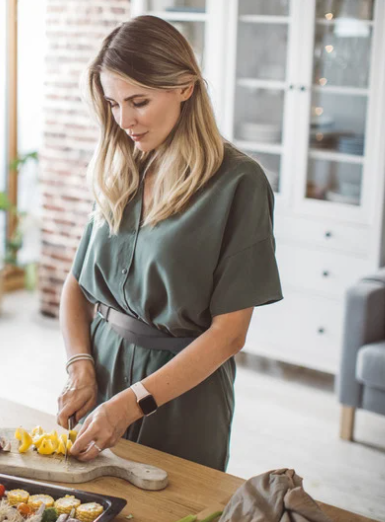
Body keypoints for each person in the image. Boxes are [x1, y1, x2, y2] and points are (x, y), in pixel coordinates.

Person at [57, 15, 283, 471]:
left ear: (185, 86)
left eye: (138, 101)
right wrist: (80, 365)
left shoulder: (239, 182)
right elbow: (77, 286)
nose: (125, 121)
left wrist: (130, 404)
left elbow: (229, 335)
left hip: (184, 397)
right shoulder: (120, 165)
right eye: (114, 104)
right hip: (101, 370)